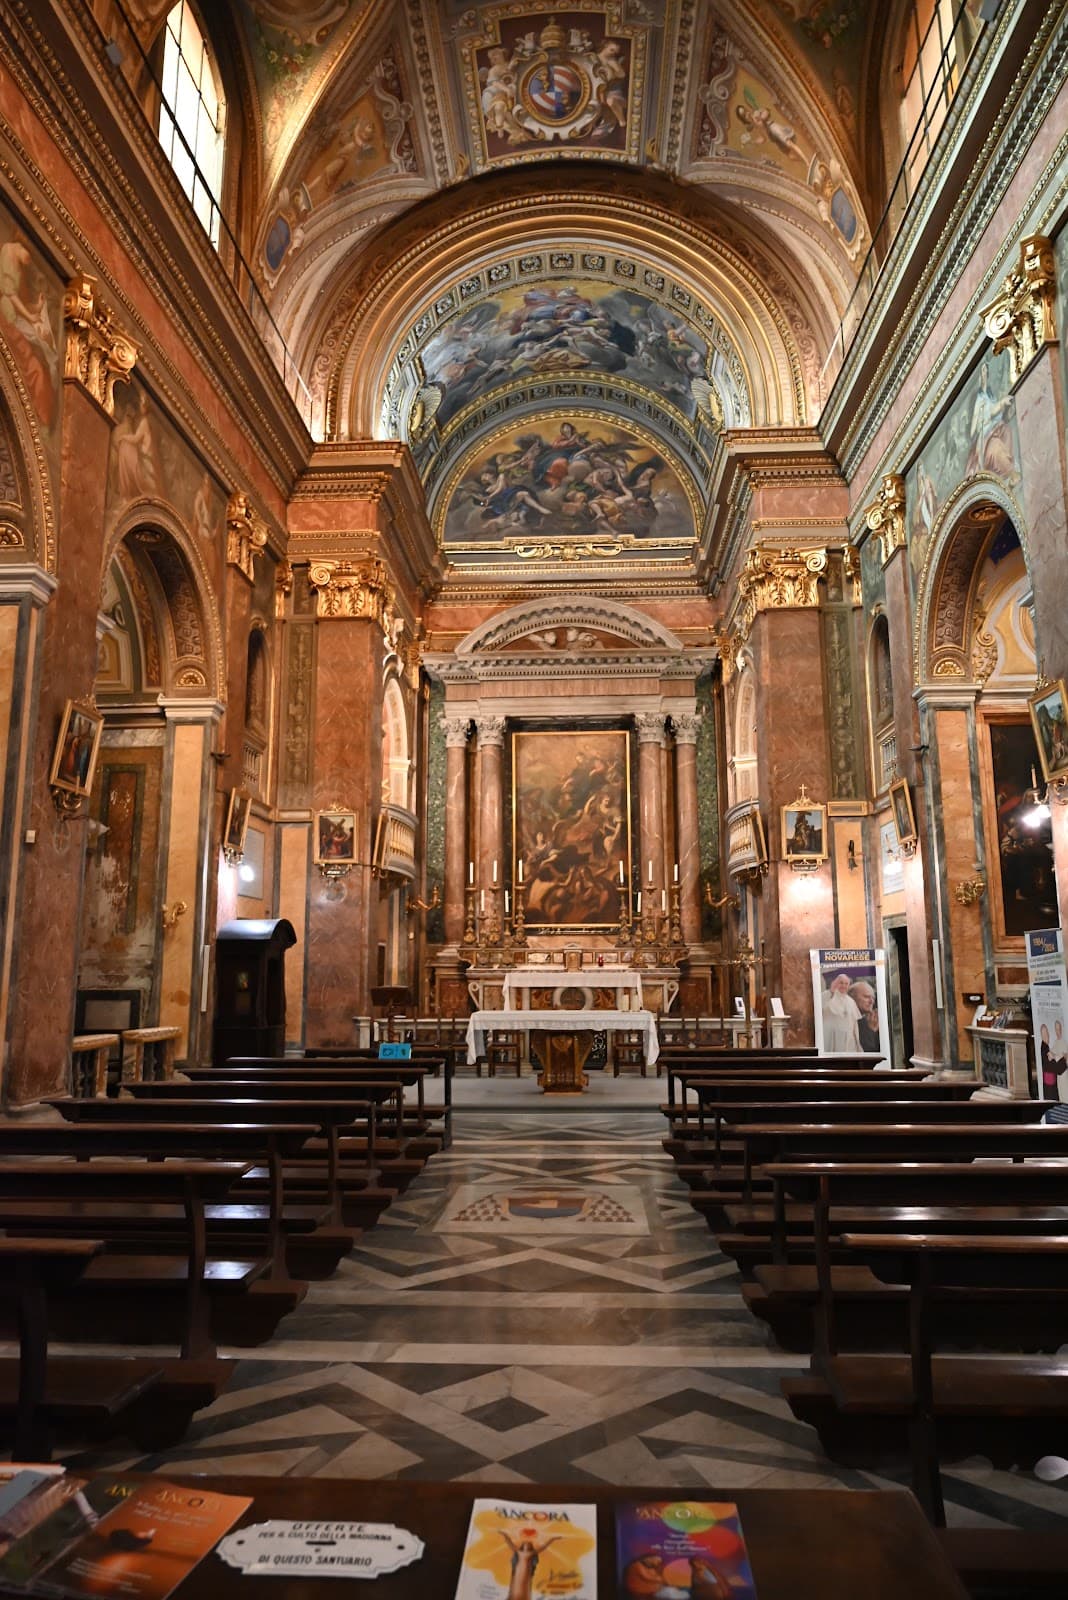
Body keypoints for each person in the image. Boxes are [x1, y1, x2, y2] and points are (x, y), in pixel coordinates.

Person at [822, 971, 861, 1052]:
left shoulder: (851, 1001)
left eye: (846, 984)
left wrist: (857, 1042)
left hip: (849, 1041)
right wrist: (831, 992)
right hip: (832, 1038)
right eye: (841, 983)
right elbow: (820, 1007)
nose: (844, 986)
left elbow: (854, 1024)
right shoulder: (827, 995)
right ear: (835, 983)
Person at [849, 980, 880, 1053]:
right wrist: (870, 1031)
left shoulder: (872, 1021)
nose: (871, 1001)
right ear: (851, 997)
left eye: (873, 998)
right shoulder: (845, 1020)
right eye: (867, 997)